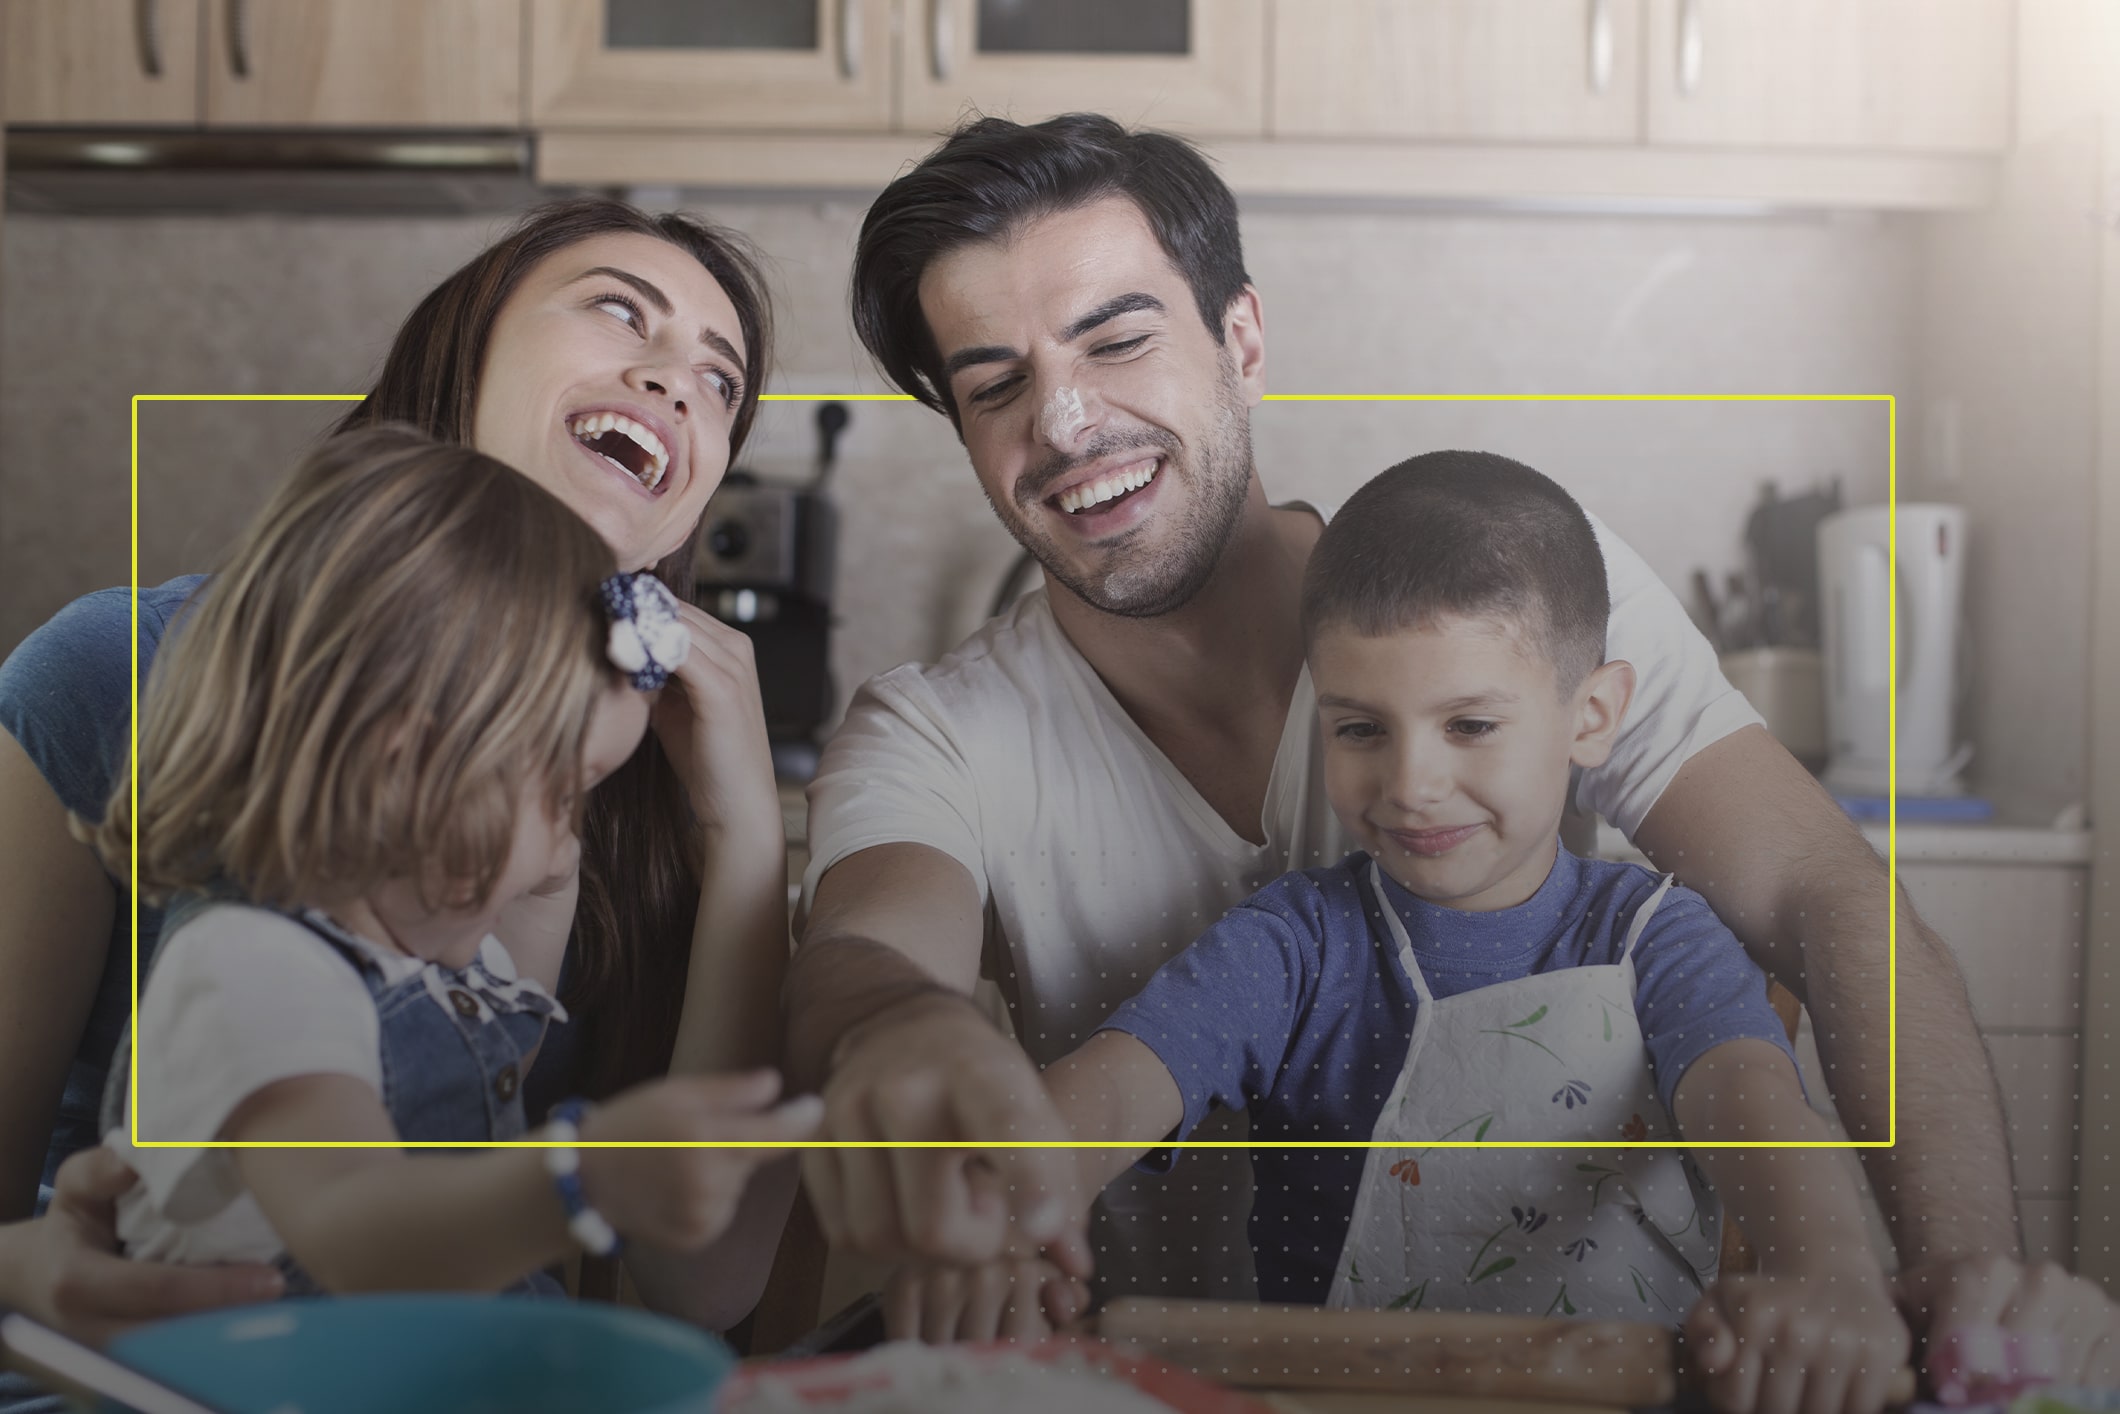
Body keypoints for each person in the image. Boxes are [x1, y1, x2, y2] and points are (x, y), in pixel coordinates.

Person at [786, 112, 2077, 1387]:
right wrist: (926, 1064)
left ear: (1241, 338)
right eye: (995, 384)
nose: (1064, 423)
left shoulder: (1514, 596)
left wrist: (1969, 1297)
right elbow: (866, 964)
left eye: (1117, 339)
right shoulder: (930, 729)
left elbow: (1824, 898)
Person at [889, 452, 1910, 1414]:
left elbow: (1756, 1107)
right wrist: (1003, 1214)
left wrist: (1825, 1272)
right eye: (1358, 728)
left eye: (1469, 725)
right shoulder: (1291, 944)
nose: (1411, 783)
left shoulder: (1658, 938)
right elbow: (1107, 1095)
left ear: (1589, 716)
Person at [0, 198, 792, 1371]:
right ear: (460, 348)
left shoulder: (633, 773)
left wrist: (742, 830)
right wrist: (22, 1277)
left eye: (722, 383)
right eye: (621, 309)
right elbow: (371, 1221)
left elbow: (703, 1285)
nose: (681, 382)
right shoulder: (115, 672)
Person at [92, 426, 820, 1298]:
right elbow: (355, 1228)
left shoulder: (423, 964)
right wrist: (589, 1177)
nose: (565, 845)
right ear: (406, 767)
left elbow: (542, 916)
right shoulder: (254, 973)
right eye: (565, 794)